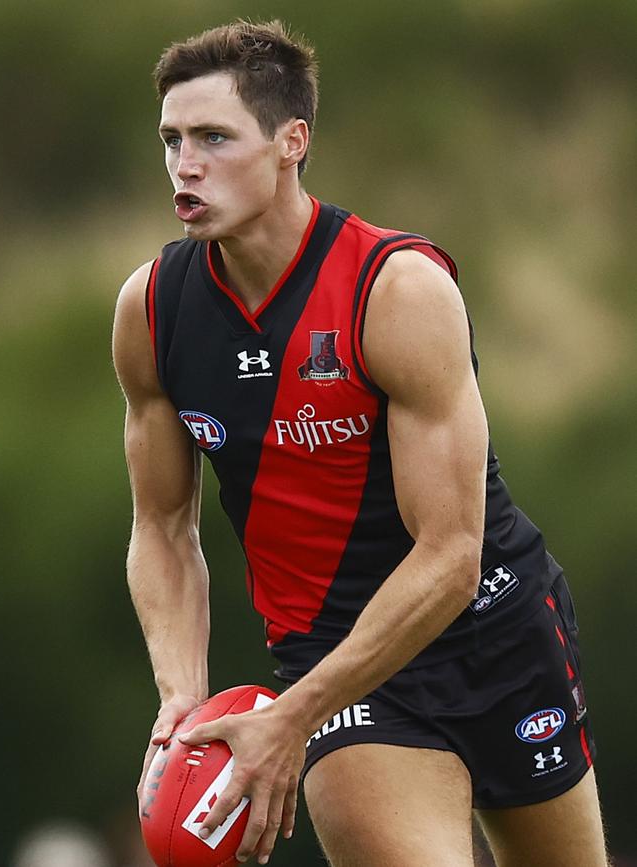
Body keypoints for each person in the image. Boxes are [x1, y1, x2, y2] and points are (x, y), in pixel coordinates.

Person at [112, 19, 608, 867]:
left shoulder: (396, 289)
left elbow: (451, 553)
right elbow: (162, 528)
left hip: (494, 628)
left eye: (213, 137)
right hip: (339, 670)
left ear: (290, 143)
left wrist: (287, 718)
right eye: (171, 140)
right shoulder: (152, 310)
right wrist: (182, 703)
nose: (184, 165)